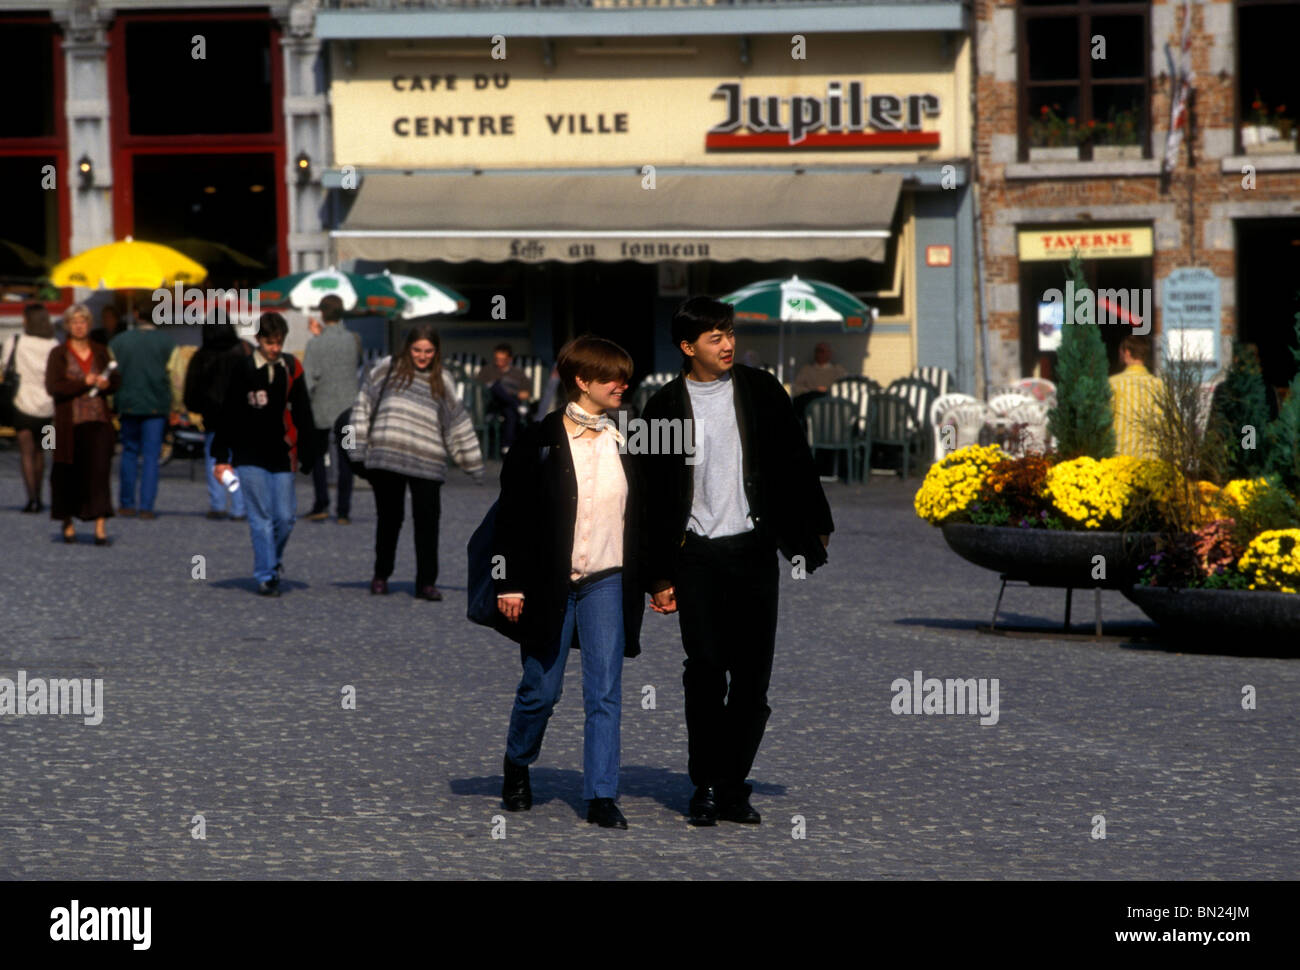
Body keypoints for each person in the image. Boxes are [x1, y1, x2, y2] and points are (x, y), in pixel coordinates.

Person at [641, 297, 834, 827]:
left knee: (753, 680)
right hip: (695, 555)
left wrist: (813, 527)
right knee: (704, 671)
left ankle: (732, 784)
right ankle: (704, 783)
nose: (727, 344)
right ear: (687, 347)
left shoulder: (760, 390)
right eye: (714, 338)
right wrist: (656, 575)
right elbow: (651, 496)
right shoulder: (662, 407)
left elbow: (796, 460)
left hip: (751, 552)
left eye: (729, 333)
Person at [495, 335, 647, 830]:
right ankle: (517, 764)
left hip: (606, 579)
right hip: (546, 583)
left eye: (625, 375)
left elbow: (643, 515)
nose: (622, 384)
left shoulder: (628, 439)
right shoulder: (538, 439)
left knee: (604, 692)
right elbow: (511, 517)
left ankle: (601, 794)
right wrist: (510, 583)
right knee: (543, 690)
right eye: (611, 377)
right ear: (582, 381)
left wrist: (660, 579)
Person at [348, 324, 483, 601]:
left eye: (428, 351)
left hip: (427, 459)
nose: (422, 356)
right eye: (417, 350)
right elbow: (362, 405)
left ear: (436, 352)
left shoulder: (442, 379)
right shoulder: (386, 368)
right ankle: (381, 575)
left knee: (428, 523)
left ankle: (426, 583)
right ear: (407, 348)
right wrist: (356, 449)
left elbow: (456, 422)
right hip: (387, 455)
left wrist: (472, 463)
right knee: (389, 519)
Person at [210, 313, 319, 597]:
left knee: (285, 517)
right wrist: (221, 456)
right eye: (269, 342)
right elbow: (227, 413)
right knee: (260, 517)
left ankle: (272, 560)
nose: (274, 348)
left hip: (282, 452)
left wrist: (310, 450)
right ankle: (266, 575)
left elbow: (304, 411)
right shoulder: (243, 368)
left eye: (279, 342)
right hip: (248, 454)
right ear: (258, 340)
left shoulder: (291, 367)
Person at [45, 304, 121, 545]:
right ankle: (67, 520)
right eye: (75, 322)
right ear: (68, 326)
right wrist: (83, 382)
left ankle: (100, 525)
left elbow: (117, 379)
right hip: (70, 422)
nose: (79, 326)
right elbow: (54, 386)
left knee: (99, 472)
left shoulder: (100, 351)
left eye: (83, 322)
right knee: (67, 473)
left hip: (98, 419)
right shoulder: (59, 353)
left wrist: (108, 384)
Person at [109, 302, 176, 519]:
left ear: (136, 314)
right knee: (150, 456)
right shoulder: (168, 343)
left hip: (128, 401)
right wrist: (175, 406)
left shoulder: (119, 342)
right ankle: (146, 506)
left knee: (128, 452)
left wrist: (112, 403)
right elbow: (175, 378)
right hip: (156, 403)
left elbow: (110, 374)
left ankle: (126, 503)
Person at [183, 321, 253, 520]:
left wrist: (196, 406)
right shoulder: (242, 351)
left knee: (214, 459)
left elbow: (192, 390)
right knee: (239, 462)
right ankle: (239, 507)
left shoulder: (202, 356)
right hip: (242, 416)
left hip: (213, 417)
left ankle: (218, 504)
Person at [303, 294, 361, 524]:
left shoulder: (315, 344)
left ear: (322, 314)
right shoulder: (353, 339)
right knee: (346, 458)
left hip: (321, 407)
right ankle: (344, 510)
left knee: (318, 456)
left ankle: (321, 504)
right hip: (348, 406)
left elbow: (309, 378)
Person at [2, 303, 59, 512]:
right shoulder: (53, 344)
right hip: (48, 405)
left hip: (22, 402)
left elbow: (4, 365)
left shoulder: (16, 341)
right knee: (41, 450)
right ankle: (42, 496)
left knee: (25, 451)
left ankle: (31, 499)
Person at [1109, 334, 1163, 460]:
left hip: (1118, 458)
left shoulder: (1113, 384)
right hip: (1151, 460)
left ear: (1127, 353)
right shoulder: (1159, 386)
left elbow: (1102, 420)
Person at [475, 343, 532, 452]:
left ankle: (506, 447)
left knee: (510, 412)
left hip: (507, 406)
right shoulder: (487, 370)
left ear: (509, 359)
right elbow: (478, 388)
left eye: (502, 359)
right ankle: (518, 407)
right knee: (495, 386)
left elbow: (526, 393)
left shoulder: (518, 373)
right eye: (497, 359)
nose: (499, 362)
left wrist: (512, 393)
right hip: (491, 404)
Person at [790, 342, 847, 419]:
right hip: (810, 403)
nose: (820, 354)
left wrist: (827, 390)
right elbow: (796, 387)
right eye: (817, 351)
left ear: (829, 354)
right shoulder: (806, 370)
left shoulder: (838, 370)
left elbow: (844, 387)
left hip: (832, 406)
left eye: (822, 351)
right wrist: (813, 390)